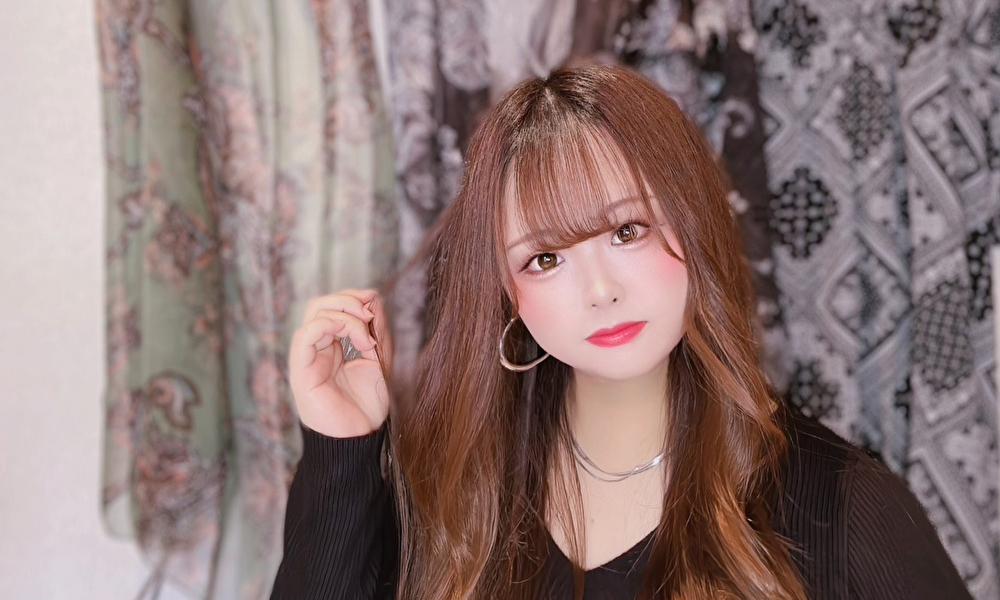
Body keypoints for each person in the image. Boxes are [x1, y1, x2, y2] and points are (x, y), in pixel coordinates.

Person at [269, 64, 972, 600]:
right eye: (546, 258)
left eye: (627, 231)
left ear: (693, 222)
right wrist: (342, 451)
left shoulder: (840, 509)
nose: (599, 290)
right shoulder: (448, 490)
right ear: (507, 294)